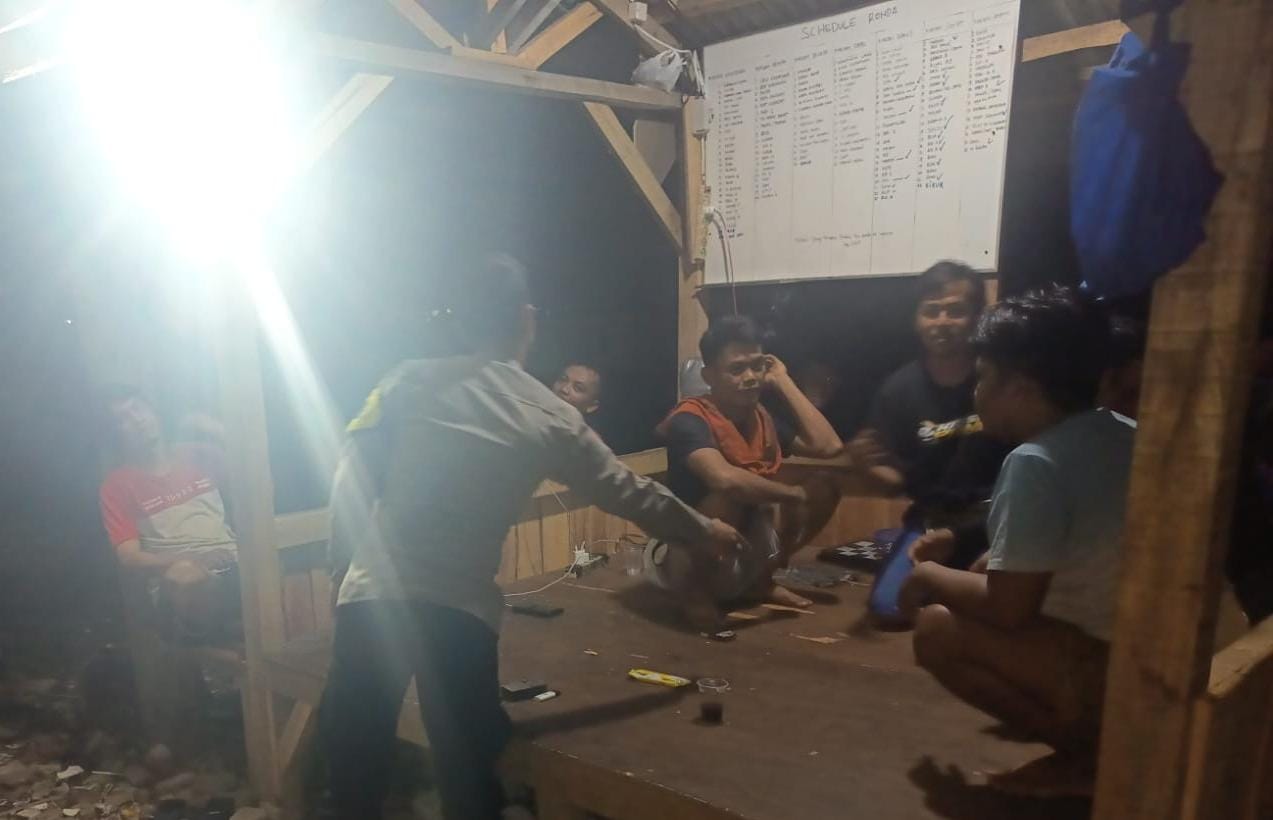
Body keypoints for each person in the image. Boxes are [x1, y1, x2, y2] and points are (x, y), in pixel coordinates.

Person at [319, 255, 741, 820]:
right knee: (469, 777)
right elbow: (626, 491)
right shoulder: (548, 416)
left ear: (460, 318)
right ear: (526, 318)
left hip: (372, 602)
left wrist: (339, 570)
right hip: (459, 616)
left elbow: (350, 479)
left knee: (352, 778)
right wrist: (702, 529)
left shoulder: (402, 382)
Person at [899, 288, 1134, 796]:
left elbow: (1009, 609)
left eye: (984, 377)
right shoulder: (1124, 431)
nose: (976, 391)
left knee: (937, 629)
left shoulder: (1034, 461)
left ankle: (1088, 758)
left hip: (1117, 671)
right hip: (1171, 654)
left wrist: (926, 576)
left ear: (1021, 389)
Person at [849, 261, 1008, 625]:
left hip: (995, 522)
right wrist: (865, 465)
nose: (942, 322)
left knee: (1000, 609)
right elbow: (897, 483)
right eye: (931, 311)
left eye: (956, 311)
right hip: (931, 523)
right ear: (917, 320)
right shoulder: (898, 390)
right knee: (888, 609)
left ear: (977, 317)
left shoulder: (1000, 379)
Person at [653, 315, 843, 620]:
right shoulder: (688, 420)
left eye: (757, 365)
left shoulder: (761, 417)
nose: (751, 377)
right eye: (737, 369)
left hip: (743, 548)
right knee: (730, 496)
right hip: (684, 557)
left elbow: (829, 446)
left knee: (825, 486)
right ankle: (695, 594)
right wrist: (794, 494)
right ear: (709, 376)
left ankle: (760, 583)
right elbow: (724, 479)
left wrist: (783, 381)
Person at [98, 386, 239, 644]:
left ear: (154, 411)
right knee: (185, 575)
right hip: (178, 582)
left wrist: (210, 427)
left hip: (231, 561)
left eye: (138, 408)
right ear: (116, 434)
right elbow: (129, 557)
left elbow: (253, 488)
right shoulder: (117, 485)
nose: (137, 420)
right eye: (123, 418)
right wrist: (193, 559)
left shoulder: (198, 454)